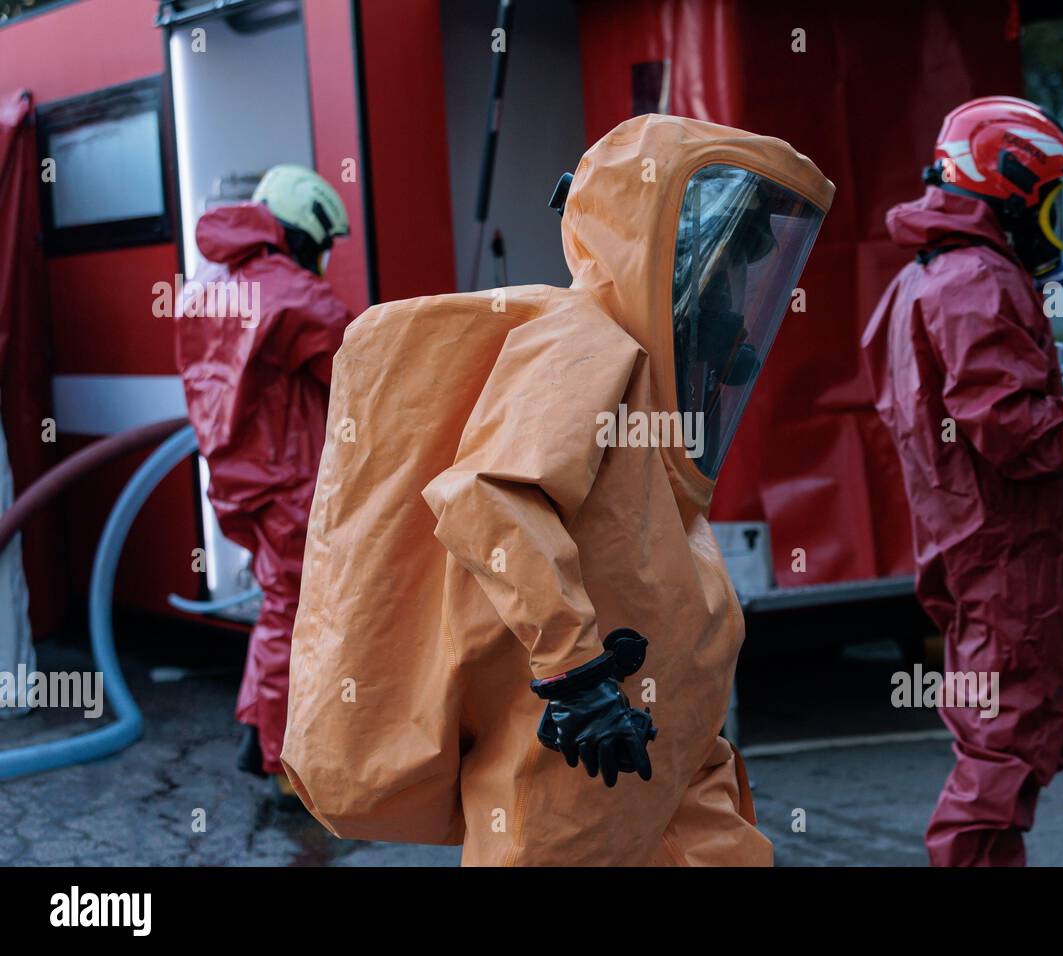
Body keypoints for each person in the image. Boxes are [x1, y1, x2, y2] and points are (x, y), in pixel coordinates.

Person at [281, 114, 833, 865]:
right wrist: (576, 674)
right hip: (580, 757)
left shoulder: (642, 367)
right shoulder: (582, 341)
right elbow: (486, 497)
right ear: (659, 244)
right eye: (729, 260)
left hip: (661, 742)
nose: (734, 290)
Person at [861, 96, 1063, 866]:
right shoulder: (977, 279)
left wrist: (1057, 385)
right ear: (1015, 189)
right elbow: (1009, 428)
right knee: (1001, 754)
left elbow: (939, 400)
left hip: (971, 546)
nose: (1057, 223)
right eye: (1050, 200)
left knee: (1014, 737)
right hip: (1006, 556)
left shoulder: (925, 276)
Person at [174, 164, 351, 804]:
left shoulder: (209, 293)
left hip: (238, 485)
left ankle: (259, 737)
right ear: (303, 231)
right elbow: (362, 371)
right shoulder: (296, 294)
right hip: (293, 484)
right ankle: (284, 770)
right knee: (293, 614)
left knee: (279, 608)